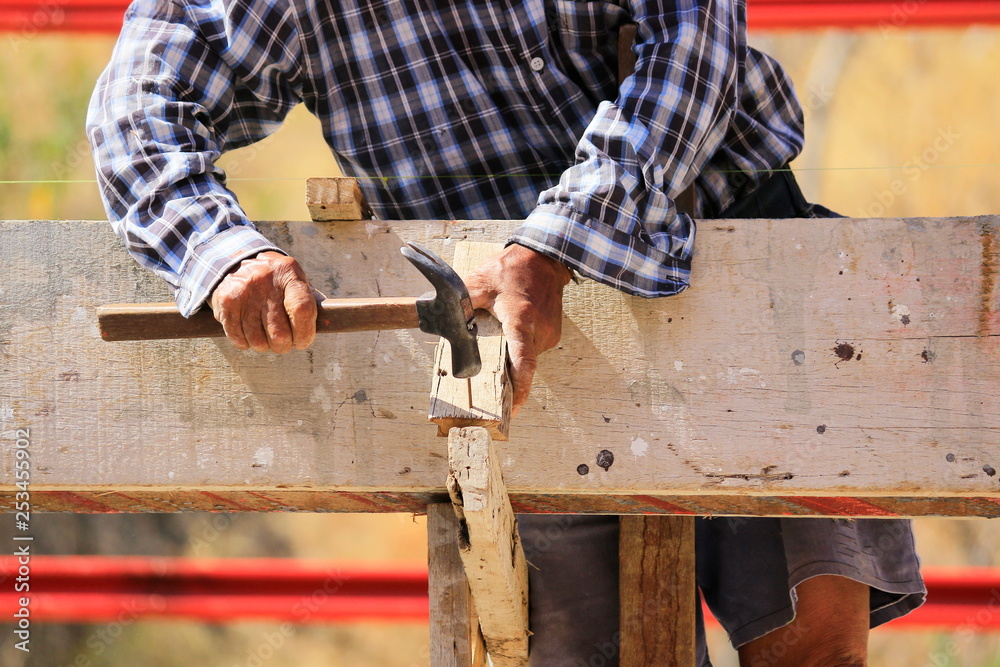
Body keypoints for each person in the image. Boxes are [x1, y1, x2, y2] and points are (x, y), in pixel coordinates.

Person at [87, 1, 925, 664]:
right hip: (514, 362)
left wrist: (560, 239)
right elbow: (137, 111)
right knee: (603, 658)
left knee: (813, 647)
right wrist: (225, 251)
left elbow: (693, 40)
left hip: (740, 260)